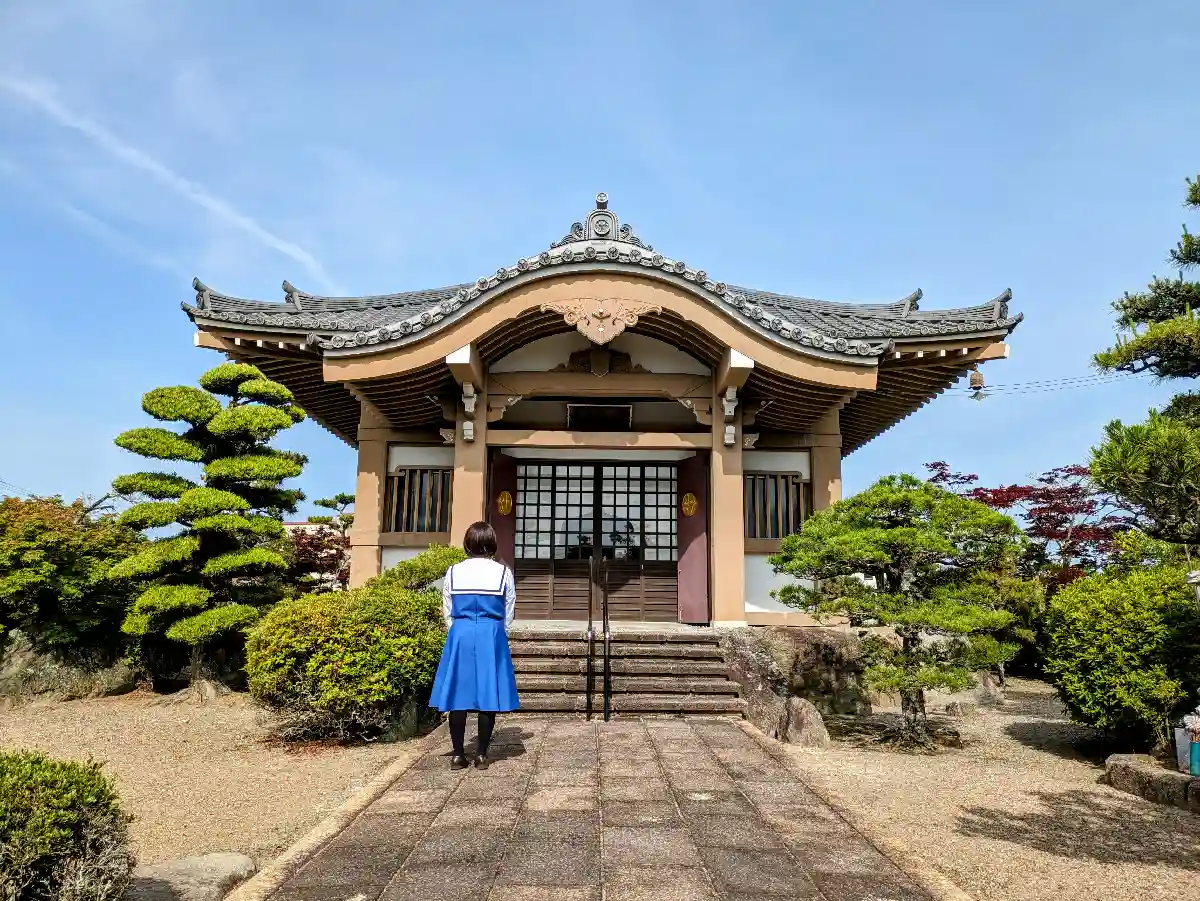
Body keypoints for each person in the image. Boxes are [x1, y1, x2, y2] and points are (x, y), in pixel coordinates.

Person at [428, 521, 520, 769]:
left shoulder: (453, 571)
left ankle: (458, 754)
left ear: (467, 543)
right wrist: (499, 630)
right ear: (492, 543)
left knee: (458, 693)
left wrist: (458, 629)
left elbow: (447, 607)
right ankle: (481, 754)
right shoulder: (503, 572)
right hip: (491, 631)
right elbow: (509, 607)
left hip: (461, 631)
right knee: (488, 692)